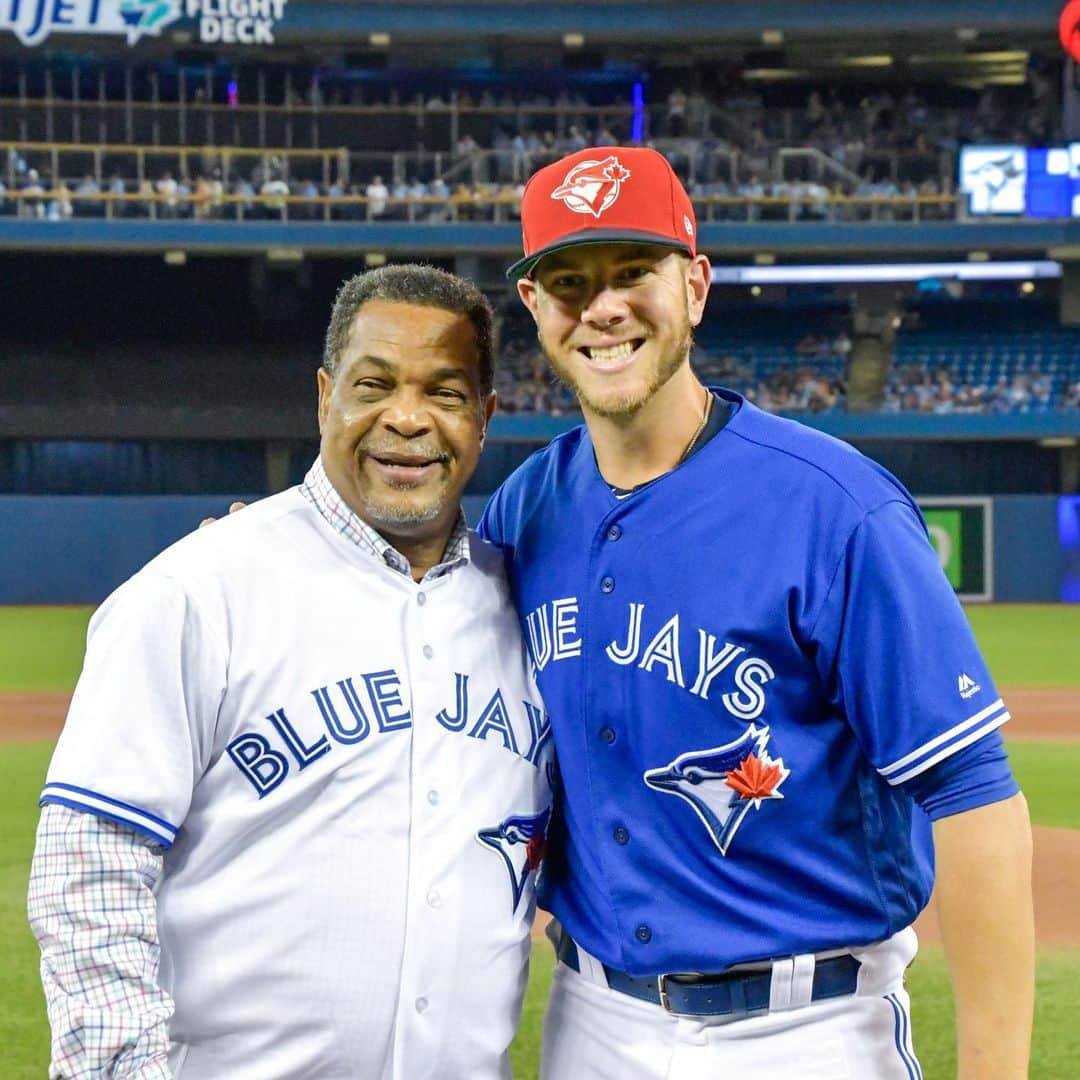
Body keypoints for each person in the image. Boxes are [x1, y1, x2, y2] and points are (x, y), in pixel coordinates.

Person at [480, 146, 1034, 1078]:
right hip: (591, 1022)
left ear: (695, 287)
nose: (603, 307)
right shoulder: (525, 510)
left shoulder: (833, 508)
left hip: (805, 1032)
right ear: (535, 310)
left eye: (632, 272)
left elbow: (975, 797)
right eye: (569, 281)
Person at [27, 265, 554, 1079]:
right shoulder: (196, 591)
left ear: (484, 418)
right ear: (324, 397)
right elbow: (91, 866)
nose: (405, 419)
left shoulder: (524, 611)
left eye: (444, 393)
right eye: (372, 385)